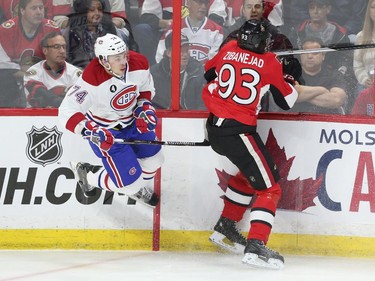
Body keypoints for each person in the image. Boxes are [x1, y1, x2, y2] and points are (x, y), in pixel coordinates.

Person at [202, 19, 301, 269]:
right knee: (270, 189)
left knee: (249, 174)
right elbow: (288, 101)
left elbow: (208, 73)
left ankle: (226, 226)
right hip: (239, 132)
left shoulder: (229, 47)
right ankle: (256, 245)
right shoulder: (269, 63)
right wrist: (287, 75)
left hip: (215, 128)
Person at [58, 33, 164, 208]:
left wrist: (144, 108)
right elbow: (67, 111)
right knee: (130, 185)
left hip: (132, 122)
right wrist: (89, 130)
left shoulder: (139, 63)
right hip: (106, 132)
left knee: (156, 160)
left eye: (124, 55)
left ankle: (133, 184)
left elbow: (145, 88)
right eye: (117, 58)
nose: (123, 61)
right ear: (104, 60)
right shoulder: (92, 79)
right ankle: (88, 175)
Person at [0, 0, 60, 107]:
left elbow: (57, 63)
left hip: (42, 75)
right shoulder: (6, 30)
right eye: (34, 8)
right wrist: (29, 75)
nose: (38, 12)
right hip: (12, 79)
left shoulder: (51, 29)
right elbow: (4, 68)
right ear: (22, 10)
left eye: (41, 8)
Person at [63, 0, 137, 69]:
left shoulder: (109, 28)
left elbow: (121, 56)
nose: (97, 13)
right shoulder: (73, 33)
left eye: (99, 9)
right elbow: (73, 62)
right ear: (83, 12)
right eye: (92, 10)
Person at [287, 37, 347, 114]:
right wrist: (321, 90)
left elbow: (337, 99)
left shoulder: (334, 75)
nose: (309, 56)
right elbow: (286, 95)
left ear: (323, 56)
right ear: (301, 55)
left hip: (325, 122)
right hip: (292, 121)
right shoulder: (290, 73)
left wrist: (300, 94)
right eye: (305, 52)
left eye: (315, 53)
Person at [24, 31, 82, 108]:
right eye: (56, 47)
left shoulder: (75, 73)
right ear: (45, 51)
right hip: (37, 118)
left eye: (64, 47)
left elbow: (75, 101)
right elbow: (39, 94)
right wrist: (58, 99)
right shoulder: (34, 72)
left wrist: (49, 100)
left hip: (66, 117)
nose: (62, 51)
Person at [155, 0, 224, 64]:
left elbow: (214, 62)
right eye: (199, 2)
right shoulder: (174, 28)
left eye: (205, 3)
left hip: (204, 75)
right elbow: (160, 57)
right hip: (178, 75)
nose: (203, 6)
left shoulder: (217, 30)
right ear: (188, 3)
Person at [150, 32, 206, 110]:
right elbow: (151, 104)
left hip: (191, 119)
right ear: (169, 53)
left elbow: (203, 104)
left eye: (186, 50)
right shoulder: (155, 73)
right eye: (181, 51)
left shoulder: (198, 71)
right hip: (164, 118)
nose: (185, 54)